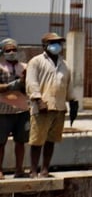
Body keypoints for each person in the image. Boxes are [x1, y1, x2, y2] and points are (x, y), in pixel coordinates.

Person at [25, 32, 77, 177]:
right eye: (53, 42)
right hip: (42, 107)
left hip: (59, 108)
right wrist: (38, 100)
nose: (57, 46)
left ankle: (45, 168)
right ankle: (33, 170)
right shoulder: (36, 61)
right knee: (37, 140)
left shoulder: (64, 64)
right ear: (45, 45)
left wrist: (73, 101)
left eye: (59, 43)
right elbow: (31, 82)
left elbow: (68, 85)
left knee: (51, 140)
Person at [0, 38, 29, 178]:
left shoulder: (24, 67)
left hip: (22, 110)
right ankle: (0, 170)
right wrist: (11, 86)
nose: (11, 52)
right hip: (3, 110)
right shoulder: (0, 67)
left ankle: (19, 169)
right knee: (1, 142)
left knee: (21, 141)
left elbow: (29, 86)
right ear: (3, 52)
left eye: (14, 50)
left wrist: (23, 84)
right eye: (8, 50)